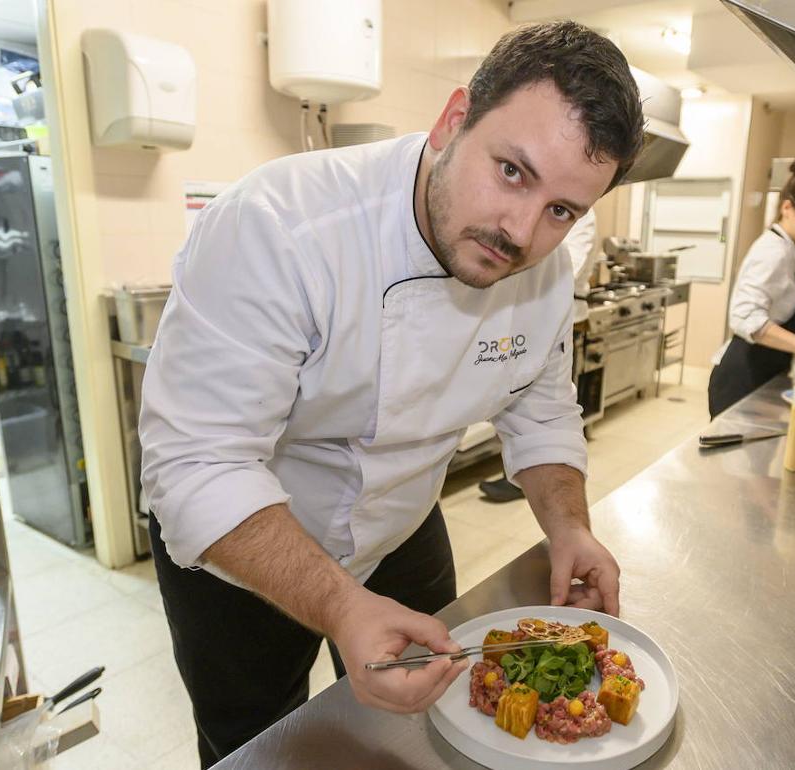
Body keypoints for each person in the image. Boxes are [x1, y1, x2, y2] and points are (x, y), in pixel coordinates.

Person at [138, 21, 645, 766]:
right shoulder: (280, 226)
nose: (521, 230)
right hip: (244, 544)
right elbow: (196, 468)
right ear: (452, 119)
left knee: (416, 736)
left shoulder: (542, 267)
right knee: (257, 743)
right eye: (511, 171)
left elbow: (539, 403)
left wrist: (567, 527)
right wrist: (342, 604)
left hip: (403, 528)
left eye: (563, 210)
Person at [707, 159, 795, 419]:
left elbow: (771, 306)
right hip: (742, 377)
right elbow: (745, 317)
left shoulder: (789, 248)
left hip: (761, 372)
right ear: (788, 208)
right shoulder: (774, 252)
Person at [479, 207, 597, 502]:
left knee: (552, 391)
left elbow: (573, 264)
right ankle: (517, 469)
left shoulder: (584, 217)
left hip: (565, 315)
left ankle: (523, 475)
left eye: (560, 210)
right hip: (533, 308)